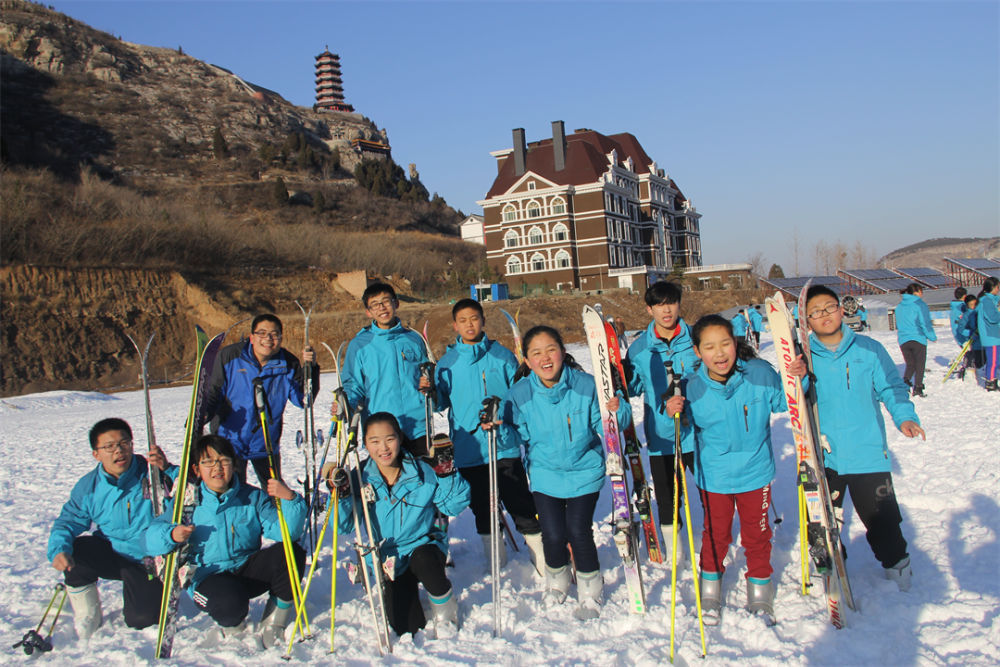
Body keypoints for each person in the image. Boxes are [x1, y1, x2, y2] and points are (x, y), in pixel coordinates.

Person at [665, 315, 793, 626]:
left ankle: (760, 586)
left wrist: (794, 378)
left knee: (757, 532)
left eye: (725, 344)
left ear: (735, 343)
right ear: (697, 352)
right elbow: (677, 433)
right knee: (716, 533)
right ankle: (710, 586)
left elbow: (786, 403)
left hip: (756, 472)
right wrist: (672, 413)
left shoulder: (760, 374)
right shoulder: (690, 387)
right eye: (709, 347)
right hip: (715, 476)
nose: (719, 353)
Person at [797, 285, 925, 591]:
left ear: (842, 309)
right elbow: (790, 399)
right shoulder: (803, 358)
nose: (824, 316)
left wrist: (905, 417)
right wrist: (797, 376)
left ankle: (898, 570)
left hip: (867, 452)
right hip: (823, 456)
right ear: (806, 321)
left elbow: (892, 387)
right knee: (818, 522)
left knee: (882, 520)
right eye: (815, 312)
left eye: (829, 307)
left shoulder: (869, 350)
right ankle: (830, 568)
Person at [502, 326, 631, 620]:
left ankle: (589, 588)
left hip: (585, 471)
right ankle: (557, 582)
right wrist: (497, 428)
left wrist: (617, 408)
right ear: (527, 359)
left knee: (577, 530)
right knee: (552, 533)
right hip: (546, 474)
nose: (545, 358)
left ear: (562, 351)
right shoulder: (519, 394)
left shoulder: (586, 385)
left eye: (551, 349)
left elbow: (610, 427)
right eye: (536, 353)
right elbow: (515, 436)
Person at [142, 435, 306, 648]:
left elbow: (287, 533)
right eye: (208, 461)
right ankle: (233, 625)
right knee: (229, 601)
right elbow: (147, 540)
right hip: (208, 578)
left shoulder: (252, 497)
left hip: (245, 568)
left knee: (291, 553)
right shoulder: (186, 502)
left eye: (224, 460)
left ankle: (274, 622)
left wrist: (291, 500)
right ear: (196, 469)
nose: (217, 467)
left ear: (233, 464)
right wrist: (171, 535)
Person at [327, 412, 470, 638]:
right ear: (365, 444)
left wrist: (447, 473)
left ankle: (446, 609)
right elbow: (343, 525)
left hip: (424, 547)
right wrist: (341, 494)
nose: (383, 448)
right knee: (406, 627)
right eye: (374, 441)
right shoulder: (359, 476)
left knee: (423, 559)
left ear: (400, 438)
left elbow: (452, 506)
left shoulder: (422, 471)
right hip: (390, 560)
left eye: (390, 439)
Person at [434, 298, 544, 570]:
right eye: (463, 320)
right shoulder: (447, 363)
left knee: (520, 502)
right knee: (483, 507)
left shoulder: (502, 355)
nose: (469, 324)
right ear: (455, 325)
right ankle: (497, 560)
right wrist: (428, 391)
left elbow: (519, 396)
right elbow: (440, 403)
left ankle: (541, 558)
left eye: (474, 318)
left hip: (503, 445)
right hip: (469, 450)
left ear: (483, 320)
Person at [47, 418, 178, 639]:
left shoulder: (153, 473)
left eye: (124, 443)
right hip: (111, 551)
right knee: (76, 550)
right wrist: (59, 549)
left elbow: (190, 492)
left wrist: (169, 469)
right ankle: (87, 612)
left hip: (147, 558)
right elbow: (68, 520)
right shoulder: (89, 486)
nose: (119, 451)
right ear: (96, 454)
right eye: (109, 446)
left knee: (143, 619)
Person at [623, 280, 700, 564]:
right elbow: (631, 388)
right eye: (659, 304)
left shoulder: (697, 339)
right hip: (662, 434)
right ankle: (675, 549)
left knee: (709, 491)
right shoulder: (640, 349)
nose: (666, 309)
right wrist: (616, 374)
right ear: (649, 309)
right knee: (668, 496)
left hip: (699, 432)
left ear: (679, 304)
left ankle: (714, 541)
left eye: (671, 302)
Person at [207, 314, 318, 487]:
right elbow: (214, 393)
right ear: (252, 337)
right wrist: (201, 415)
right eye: (262, 333)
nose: (268, 338)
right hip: (229, 445)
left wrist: (311, 369)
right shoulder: (229, 357)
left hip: (266, 445)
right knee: (232, 496)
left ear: (280, 339)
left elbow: (304, 400)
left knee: (275, 498)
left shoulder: (288, 363)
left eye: (274, 334)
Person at [339, 283, 432, 453]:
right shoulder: (359, 345)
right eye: (375, 304)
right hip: (381, 428)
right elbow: (353, 386)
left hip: (418, 426)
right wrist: (346, 406)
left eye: (386, 301)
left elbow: (427, 373)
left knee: (422, 477)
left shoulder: (414, 339)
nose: (381, 307)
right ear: (368, 312)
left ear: (396, 304)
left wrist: (429, 384)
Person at [894, 283, 936, 397]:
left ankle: (905, 382)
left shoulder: (899, 306)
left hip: (903, 339)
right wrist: (932, 337)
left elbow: (898, 323)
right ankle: (918, 387)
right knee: (920, 365)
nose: (922, 293)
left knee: (910, 364)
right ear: (916, 291)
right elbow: (925, 323)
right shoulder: (920, 305)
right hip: (917, 337)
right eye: (921, 291)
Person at [977, 277, 1000, 392]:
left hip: (993, 335)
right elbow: (992, 318)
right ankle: (991, 382)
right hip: (991, 336)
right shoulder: (987, 301)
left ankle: (992, 380)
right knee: (993, 361)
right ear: (993, 287)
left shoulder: (988, 300)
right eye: (998, 287)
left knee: (995, 360)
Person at [958, 294, 984, 379]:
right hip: (976, 343)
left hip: (985, 342)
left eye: (975, 304)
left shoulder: (980, 311)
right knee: (979, 363)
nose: (973, 307)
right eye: (971, 305)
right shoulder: (966, 315)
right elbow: (961, 328)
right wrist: (970, 333)